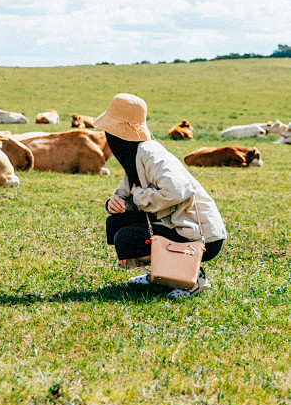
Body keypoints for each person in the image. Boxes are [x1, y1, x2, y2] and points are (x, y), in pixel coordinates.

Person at [93, 93, 227, 299]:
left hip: (200, 235)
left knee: (127, 236)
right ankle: (162, 272)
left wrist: (139, 197)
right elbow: (127, 194)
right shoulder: (135, 155)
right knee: (116, 223)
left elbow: (177, 190)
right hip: (176, 225)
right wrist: (114, 203)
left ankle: (192, 278)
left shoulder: (150, 152)